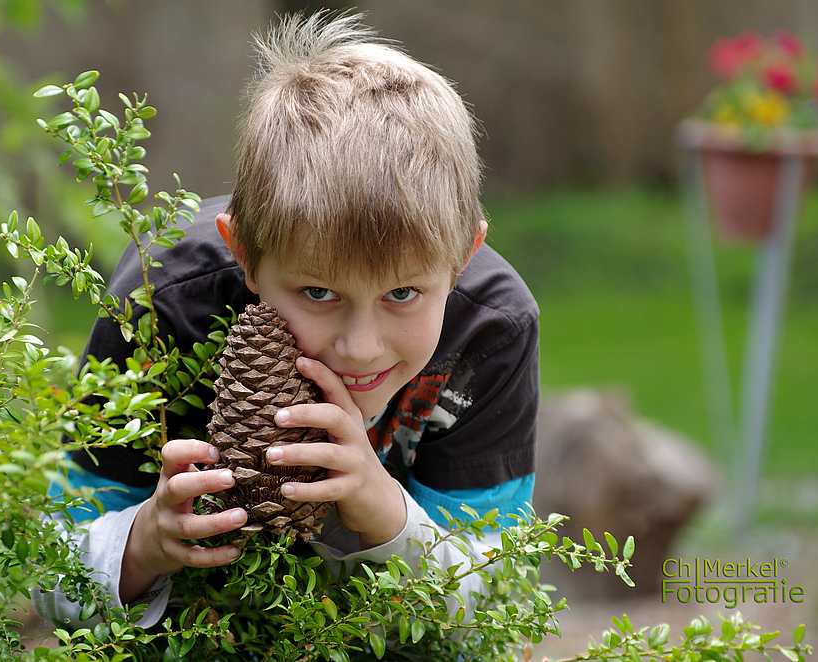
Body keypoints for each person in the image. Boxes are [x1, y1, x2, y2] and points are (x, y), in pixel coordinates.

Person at [33, 11, 539, 628]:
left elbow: (495, 612)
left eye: (402, 294)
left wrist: (388, 516)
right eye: (319, 292)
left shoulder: (490, 334)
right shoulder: (161, 307)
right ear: (243, 252)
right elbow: (49, 576)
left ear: (462, 258)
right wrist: (139, 545)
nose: (359, 347)